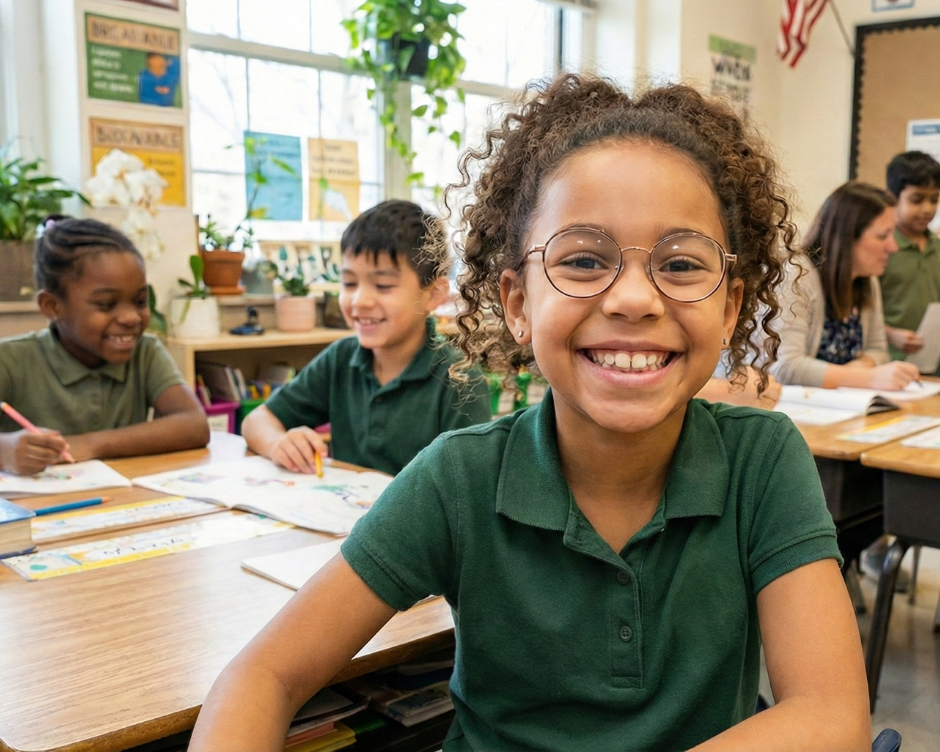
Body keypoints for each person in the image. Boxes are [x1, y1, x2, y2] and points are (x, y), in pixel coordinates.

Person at [190, 75, 869, 752]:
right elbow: (263, 676)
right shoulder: (460, 479)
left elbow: (831, 715)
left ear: (729, 309)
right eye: (581, 259)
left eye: (683, 264)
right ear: (516, 304)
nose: (635, 298)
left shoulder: (762, 460)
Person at [242, 200, 492, 476]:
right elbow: (256, 421)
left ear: (433, 294)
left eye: (383, 286)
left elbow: (468, 489)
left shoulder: (461, 379)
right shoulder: (342, 358)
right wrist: (280, 444)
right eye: (349, 283)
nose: (359, 301)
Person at [0, 218, 209, 475]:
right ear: (52, 306)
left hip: (121, 505)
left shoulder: (145, 352)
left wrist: (90, 443)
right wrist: (5, 449)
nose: (131, 317)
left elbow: (194, 425)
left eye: (140, 301)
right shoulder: (10, 360)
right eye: (106, 304)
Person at [767, 181, 921, 390]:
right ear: (847, 237)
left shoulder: (867, 279)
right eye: (882, 236)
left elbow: (878, 352)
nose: (893, 247)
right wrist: (866, 378)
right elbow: (784, 367)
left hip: (839, 407)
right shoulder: (795, 274)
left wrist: (851, 373)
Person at [880, 150, 940, 360]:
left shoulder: (937, 248)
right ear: (892, 198)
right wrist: (890, 334)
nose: (927, 209)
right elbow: (858, 313)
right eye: (917, 200)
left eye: (934, 200)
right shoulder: (881, 248)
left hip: (932, 364)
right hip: (888, 360)